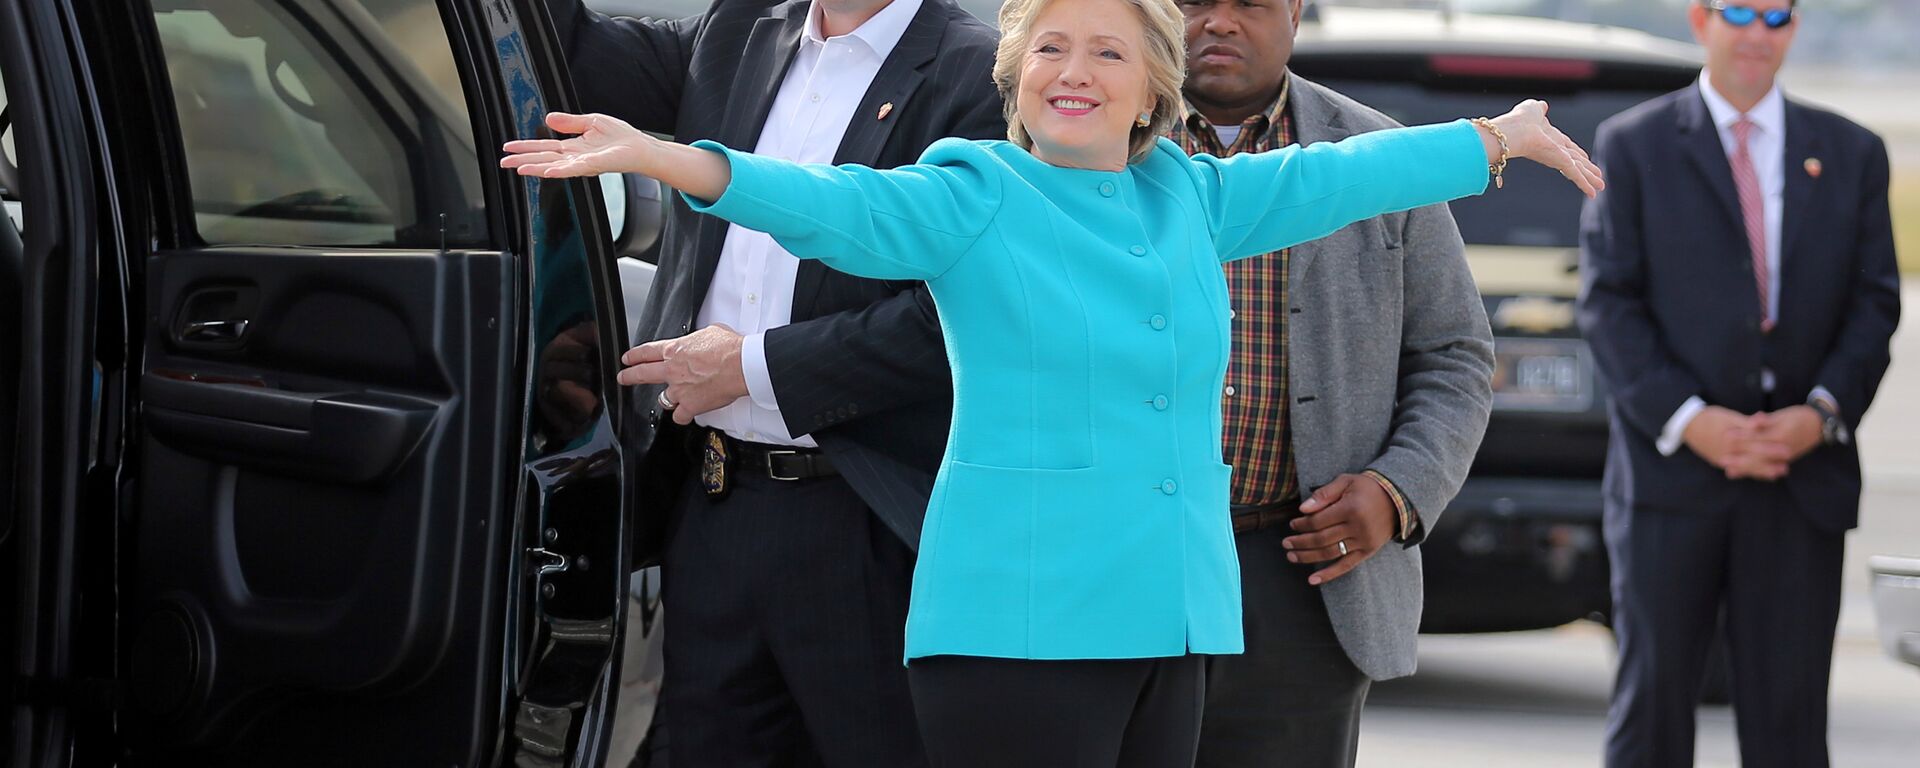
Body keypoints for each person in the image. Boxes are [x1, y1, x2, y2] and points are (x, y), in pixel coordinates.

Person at [506, 0, 1600, 762]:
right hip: (1015, 629)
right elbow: (823, 200)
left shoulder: (1189, 195)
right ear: (1018, 77)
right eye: (1053, 50)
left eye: (1110, 54)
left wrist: (1493, 140)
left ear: (1151, 90)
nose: (1077, 72)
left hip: (1170, 622)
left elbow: (1340, 176)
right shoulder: (975, 188)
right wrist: (659, 157)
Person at [541, 0, 1001, 765]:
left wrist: (753, 367)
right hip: (716, 505)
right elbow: (560, 44)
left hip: (868, 520)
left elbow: (958, 318)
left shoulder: (978, 73)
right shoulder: (738, 28)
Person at [1167, 1, 1494, 765]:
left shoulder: (1380, 155)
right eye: (1193, 2)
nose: (1218, 23)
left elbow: (1456, 355)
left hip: (1304, 573)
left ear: (1295, 10)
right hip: (1132, 564)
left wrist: (1397, 491)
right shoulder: (1101, 147)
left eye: (1247, 2)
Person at [1577, 2, 1901, 766]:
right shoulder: (1634, 146)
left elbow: (1874, 302)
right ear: (1700, 21)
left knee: (1788, 723)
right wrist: (1692, 420)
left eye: (1778, 13)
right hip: (1670, 481)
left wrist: (1819, 414)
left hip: (1799, 478)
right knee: (1652, 713)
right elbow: (1607, 302)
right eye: (1739, 10)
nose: (1758, 30)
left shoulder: (1851, 152)